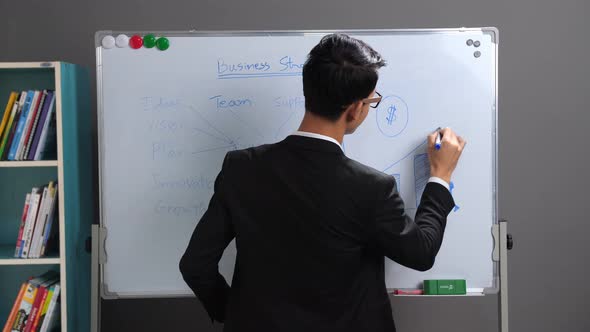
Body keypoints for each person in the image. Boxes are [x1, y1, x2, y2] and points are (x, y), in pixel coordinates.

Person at [179, 33, 466, 332]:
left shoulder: (241, 168)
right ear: (356, 108)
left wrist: (238, 313)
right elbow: (421, 253)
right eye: (371, 101)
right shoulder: (372, 188)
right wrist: (440, 176)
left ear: (308, 91)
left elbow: (195, 265)